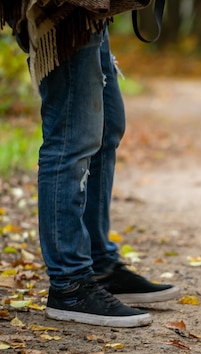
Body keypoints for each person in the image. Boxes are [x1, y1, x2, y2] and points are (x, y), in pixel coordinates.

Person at [0, 0, 179, 327]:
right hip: (65, 9)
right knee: (72, 133)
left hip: (91, 13)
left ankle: (99, 264)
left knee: (108, 123)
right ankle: (70, 283)